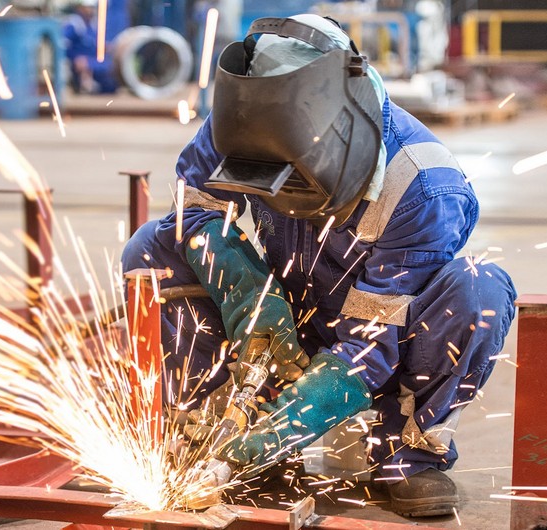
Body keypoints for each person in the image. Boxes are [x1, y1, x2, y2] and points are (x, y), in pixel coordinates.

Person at [121, 14, 517, 517]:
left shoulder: (424, 188)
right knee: (150, 249)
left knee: (477, 289)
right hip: (289, 313)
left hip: (385, 340)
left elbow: (369, 344)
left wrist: (282, 429)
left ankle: (405, 455)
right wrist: (245, 290)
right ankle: (213, 431)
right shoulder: (239, 123)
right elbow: (194, 210)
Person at [62, 0, 118, 94]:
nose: (90, 10)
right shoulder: (74, 25)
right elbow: (63, 44)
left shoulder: (93, 25)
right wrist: (74, 58)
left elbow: (94, 44)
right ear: (79, 8)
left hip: (94, 63)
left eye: (92, 7)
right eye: (88, 7)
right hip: (80, 67)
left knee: (111, 85)